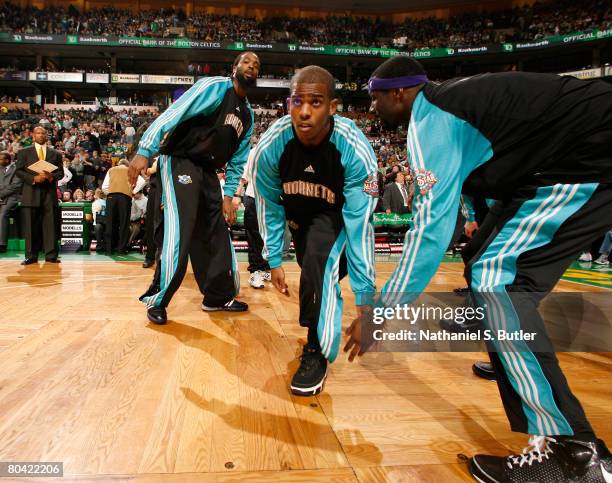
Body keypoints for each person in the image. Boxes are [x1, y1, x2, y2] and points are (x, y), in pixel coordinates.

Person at [367, 56, 612, 482]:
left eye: (375, 99)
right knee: (484, 260)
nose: (371, 107)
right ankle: (513, 358)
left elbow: (430, 231)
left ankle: (574, 453)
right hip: (568, 155)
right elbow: (480, 171)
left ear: (399, 93)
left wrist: (381, 312)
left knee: (497, 281)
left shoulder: (430, 120)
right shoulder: (453, 105)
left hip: (589, 154)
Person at [252, 66, 377, 396]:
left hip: (340, 221)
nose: (304, 111)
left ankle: (316, 350)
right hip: (299, 222)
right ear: (288, 103)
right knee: (314, 269)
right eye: (297, 101)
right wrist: (274, 259)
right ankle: (318, 322)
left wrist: (366, 302)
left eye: (316, 102)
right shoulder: (270, 148)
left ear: (333, 107)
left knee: (320, 263)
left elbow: (361, 223)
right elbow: (269, 205)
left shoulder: (355, 150)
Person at [129, 51, 260, 325]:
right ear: (234, 68)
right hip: (180, 159)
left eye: (256, 65)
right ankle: (158, 299)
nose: (252, 66)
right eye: (246, 61)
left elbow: (237, 161)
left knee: (215, 232)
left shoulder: (247, 116)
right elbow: (176, 112)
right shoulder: (215, 87)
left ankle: (217, 296)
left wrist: (229, 195)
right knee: (182, 227)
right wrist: (145, 149)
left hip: (209, 170)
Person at [15, 126, 63, 264]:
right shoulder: (24, 152)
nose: (41, 135)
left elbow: (61, 173)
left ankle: (51, 255)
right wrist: (33, 179)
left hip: (49, 193)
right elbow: (18, 171)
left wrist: (51, 176)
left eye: (43, 133)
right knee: (30, 227)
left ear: (47, 136)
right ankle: (31, 256)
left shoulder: (56, 153)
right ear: (33, 136)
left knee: (50, 225)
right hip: (31, 192)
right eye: (38, 133)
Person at [102, 158, 145, 254]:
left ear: (118, 164)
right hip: (125, 198)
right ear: (127, 164)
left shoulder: (111, 170)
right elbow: (142, 182)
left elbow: (104, 187)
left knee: (110, 223)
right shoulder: (131, 170)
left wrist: (111, 193)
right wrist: (132, 191)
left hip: (111, 198)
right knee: (124, 224)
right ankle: (121, 249)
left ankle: (109, 249)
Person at [0, 151, 22, 253]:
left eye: (1, 159)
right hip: (2, 196)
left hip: (12, 197)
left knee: (3, 214)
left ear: (8, 160)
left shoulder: (16, 169)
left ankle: (2, 244)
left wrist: (1, 195)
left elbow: (15, 186)